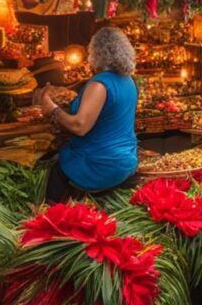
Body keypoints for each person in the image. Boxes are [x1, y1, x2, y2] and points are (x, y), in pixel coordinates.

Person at [39, 27, 138, 202]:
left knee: (52, 168)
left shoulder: (100, 84)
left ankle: (53, 220)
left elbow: (80, 126)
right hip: (127, 161)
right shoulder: (128, 81)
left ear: (96, 53)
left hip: (99, 164)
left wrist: (53, 109)